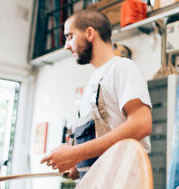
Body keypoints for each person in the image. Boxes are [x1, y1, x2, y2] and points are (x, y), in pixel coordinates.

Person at [41, 10, 152, 178]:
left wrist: (76, 153)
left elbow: (141, 123)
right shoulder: (95, 80)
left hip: (122, 184)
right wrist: (78, 166)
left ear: (90, 33)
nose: (66, 45)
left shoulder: (122, 67)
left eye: (69, 36)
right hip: (97, 186)